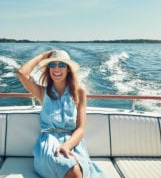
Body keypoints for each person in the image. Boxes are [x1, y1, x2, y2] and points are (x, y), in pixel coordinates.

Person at [17, 50, 105, 178]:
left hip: (73, 142)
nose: (56, 69)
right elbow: (22, 73)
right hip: (49, 142)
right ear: (49, 69)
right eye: (52, 65)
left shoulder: (79, 92)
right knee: (73, 171)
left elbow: (80, 129)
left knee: (78, 171)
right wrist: (43, 56)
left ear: (68, 69)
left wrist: (67, 145)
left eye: (61, 65)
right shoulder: (43, 92)